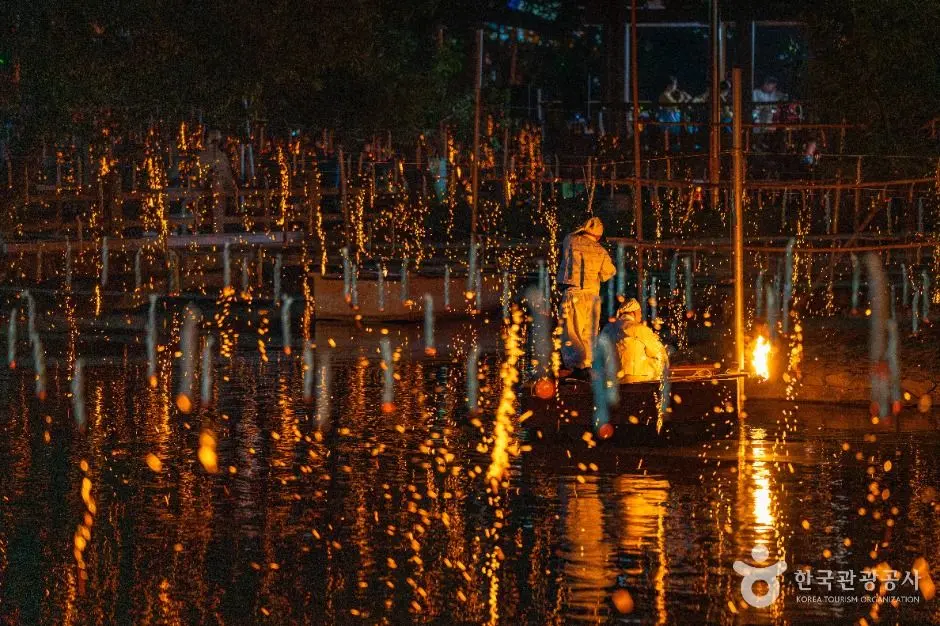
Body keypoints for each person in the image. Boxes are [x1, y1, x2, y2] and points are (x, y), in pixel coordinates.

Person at [557, 217, 616, 378]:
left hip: (574, 293)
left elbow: (569, 236)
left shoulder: (571, 240)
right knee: (589, 333)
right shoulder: (601, 250)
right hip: (593, 297)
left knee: (571, 331)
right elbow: (608, 273)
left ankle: (576, 367)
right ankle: (587, 365)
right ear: (598, 236)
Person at [601, 298, 668, 383]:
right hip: (637, 379)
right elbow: (660, 354)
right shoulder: (640, 329)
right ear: (634, 312)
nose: (641, 316)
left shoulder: (607, 328)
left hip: (610, 380)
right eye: (640, 312)